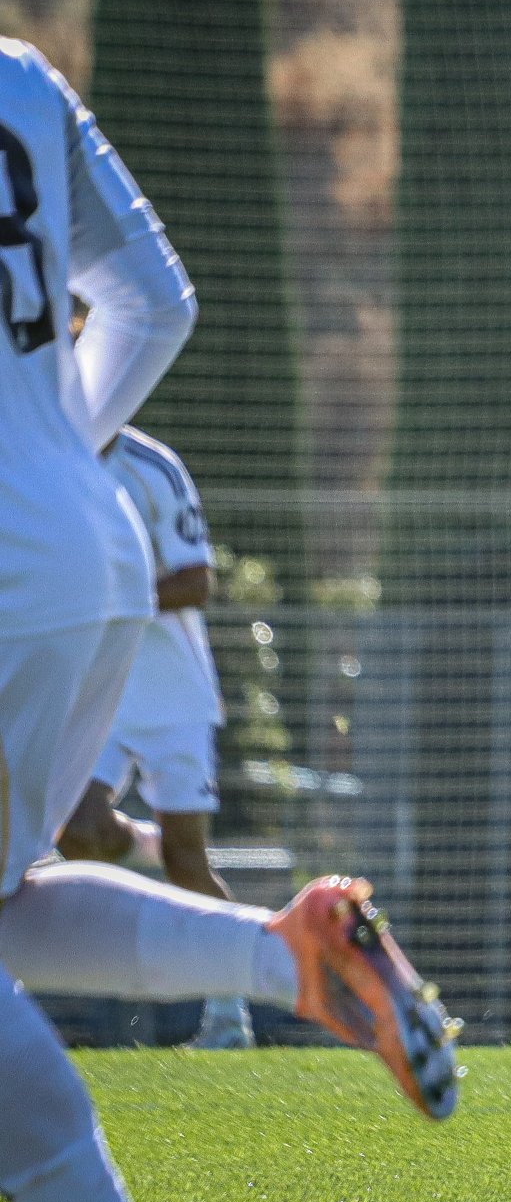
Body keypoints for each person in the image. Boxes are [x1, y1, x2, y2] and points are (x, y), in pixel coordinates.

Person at [1, 35, 460, 1202]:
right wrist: (50, 451)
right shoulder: (23, 78)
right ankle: (290, 955)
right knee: (8, 901)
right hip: (87, 551)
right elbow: (159, 300)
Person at [58, 426, 252, 1048]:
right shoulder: (47, 451)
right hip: (102, 692)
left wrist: (106, 597)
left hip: (174, 699)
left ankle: (229, 1017)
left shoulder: (153, 466)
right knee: (78, 833)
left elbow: (197, 581)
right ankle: (148, 844)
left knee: (188, 863)